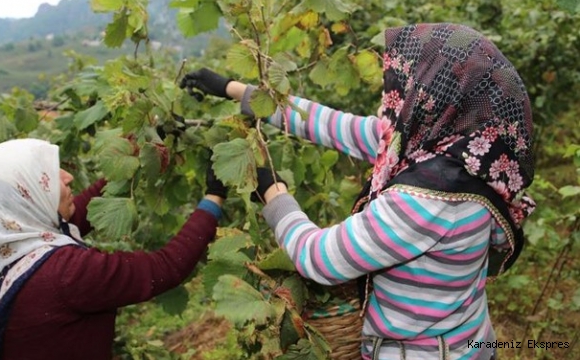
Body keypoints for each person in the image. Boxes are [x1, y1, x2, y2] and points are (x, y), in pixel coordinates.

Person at [180, 23, 536, 359]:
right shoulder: (469, 156)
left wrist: (273, 193)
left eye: (414, 80)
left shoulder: (428, 202)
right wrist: (235, 90)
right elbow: (331, 125)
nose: (403, 89)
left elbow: (320, 259)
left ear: (435, 95)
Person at [0, 138, 228, 360]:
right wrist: (213, 197)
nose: (68, 176)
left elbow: (78, 215)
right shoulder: (66, 274)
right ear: (28, 195)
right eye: (48, 176)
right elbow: (165, 267)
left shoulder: (1, 246)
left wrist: (134, 151)